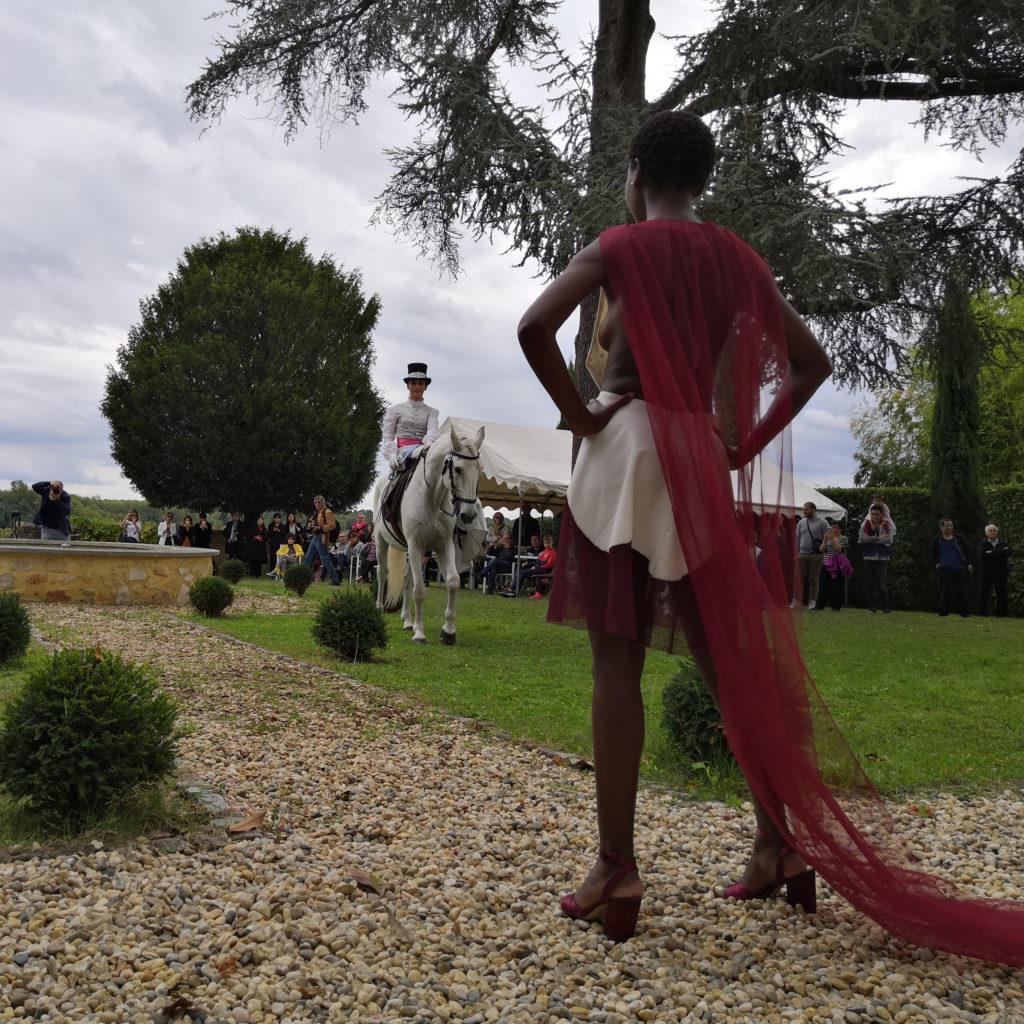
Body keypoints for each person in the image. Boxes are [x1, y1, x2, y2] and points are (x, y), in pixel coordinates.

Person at [515, 109, 1024, 967]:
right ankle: (777, 844)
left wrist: (581, 416)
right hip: (696, 463)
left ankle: (617, 868)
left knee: (616, 665)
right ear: (702, 180)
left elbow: (533, 327)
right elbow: (812, 363)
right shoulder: (738, 259)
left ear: (637, 170)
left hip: (627, 452)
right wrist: (740, 445)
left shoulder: (620, 246)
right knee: (730, 668)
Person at [380, 362, 440, 470]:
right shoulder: (395, 409)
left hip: (424, 451)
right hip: (401, 455)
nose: (417, 387)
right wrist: (392, 456)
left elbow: (432, 430)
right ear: (408, 386)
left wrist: (430, 443)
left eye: (421, 383)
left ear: (425, 387)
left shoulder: (432, 412)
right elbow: (388, 436)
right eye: (413, 383)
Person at [929, 518, 974, 617]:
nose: (949, 528)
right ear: (941, 527)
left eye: (951, 526)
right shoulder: (937, 540)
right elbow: (932, 553)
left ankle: (965, 613)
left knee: (962, 592)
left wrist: (970, 563)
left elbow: (968, 550)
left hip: (959, 568)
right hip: (944, 569)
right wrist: (936, 562)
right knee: (945, 592)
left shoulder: (959, 538)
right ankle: (943, 613)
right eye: (947, 526)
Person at [858, 504, 894, 613]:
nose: (874, 516)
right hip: (869, 557)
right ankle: (871, 607)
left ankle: (885, 608)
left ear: (881, 515)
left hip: (882, 558)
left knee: (882, 585)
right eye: (872, 514)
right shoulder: (865, 525)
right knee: (870, 584)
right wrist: (877, 538)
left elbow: (889, 540)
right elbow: (862, 539)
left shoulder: (887, 525)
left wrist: (871, 539)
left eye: (877, 514)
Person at [304, 495, 341, 585]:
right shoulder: (316, 512)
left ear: (323, 502)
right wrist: (310, 526)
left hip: (322, 537)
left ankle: (335, 580)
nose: (317, 504)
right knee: (308, 558)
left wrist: (319, 528)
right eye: (315, 502)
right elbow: (316, 524)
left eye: (319, 502)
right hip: (315, 537)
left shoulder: (327, 512)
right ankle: (307, 578)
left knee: (325, 559)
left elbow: (332, 525)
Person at [796, 502, 827, 608]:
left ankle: (812, 601)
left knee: (813, 579)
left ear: (813, 509)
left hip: (816, 555)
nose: (804, 511)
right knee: (798, 578)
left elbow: (827, 537)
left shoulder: (823, 522)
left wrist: (822, 548)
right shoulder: (801, 522)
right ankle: (797, 600)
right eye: (804, 509)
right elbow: (797, 538)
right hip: (802, 554)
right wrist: (796, 552)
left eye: (806, 509)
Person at [977, 524, 1011, 617]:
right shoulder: (982, 544)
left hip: (1001, 572)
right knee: (983, 594)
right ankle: (982, 614)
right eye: (990, 531)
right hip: (985, 572)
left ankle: (1002, 615)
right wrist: (999, 552)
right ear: (986, 533)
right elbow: (982, 555)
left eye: (994, 531)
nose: (992, 532)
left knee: (1002, 594)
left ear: (997, 532)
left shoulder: (1004, 543)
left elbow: (1007, 552)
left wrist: (991, 551)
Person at [816, 523, 850, 611]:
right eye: (833, 528)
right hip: (827, 563)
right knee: (823, 584)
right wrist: (825, 540)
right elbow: (821, 549)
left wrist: (833, 539)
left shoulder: (844, 538)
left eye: (837, 528)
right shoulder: (828, 538)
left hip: (838, 564)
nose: (834, 530)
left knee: (837, 586)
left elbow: (840, 549)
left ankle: (835, 606)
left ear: (840, 530)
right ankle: (819, 605)